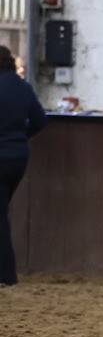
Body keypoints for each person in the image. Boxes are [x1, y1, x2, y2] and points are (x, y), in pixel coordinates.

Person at [0, 45, 47, 286]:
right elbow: (39, 120)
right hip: (18, 157)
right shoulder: (23, 87)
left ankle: (7, 275)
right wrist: (20, 137)